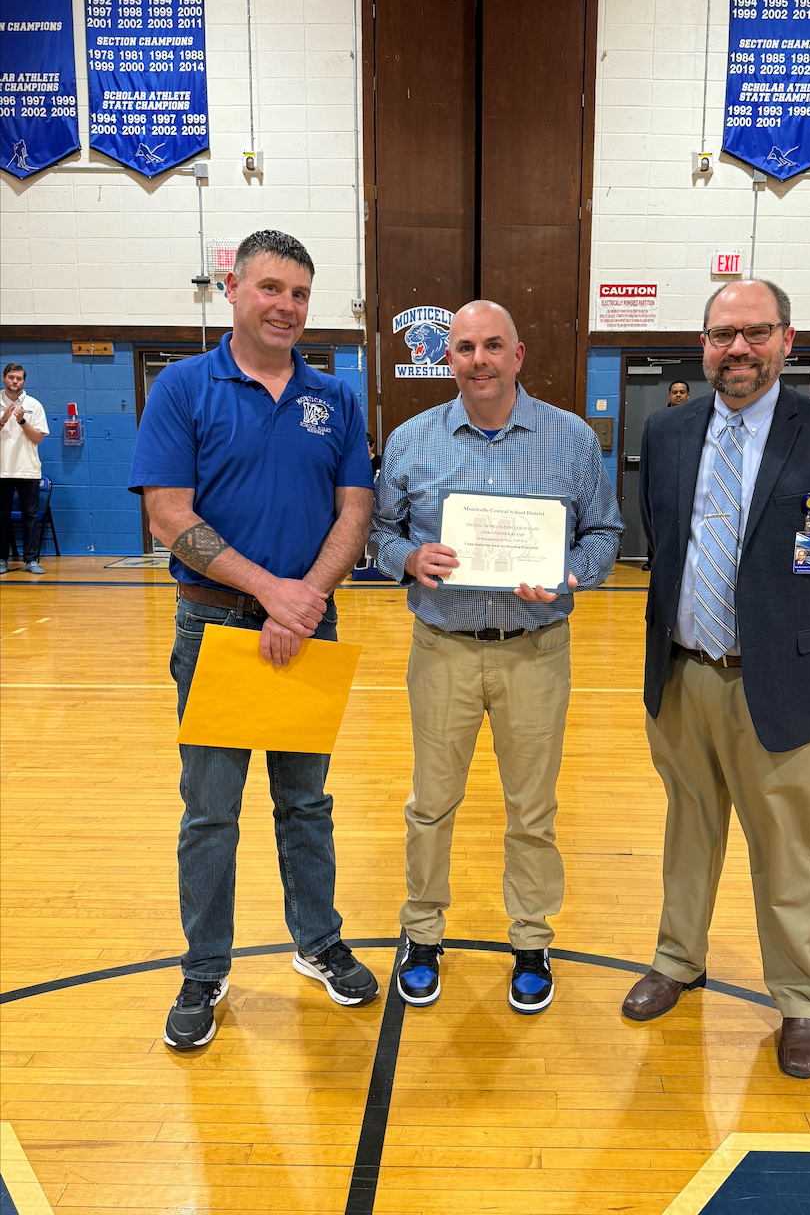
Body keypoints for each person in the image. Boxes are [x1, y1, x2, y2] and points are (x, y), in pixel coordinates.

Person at [622, 279, 810, 1079]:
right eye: (720, 335)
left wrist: (790, 626)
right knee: (688, 829)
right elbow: (663, 542)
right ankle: (679, 958)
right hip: (681, 673)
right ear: (702, 343)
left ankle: (803, 1001)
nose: (736, 349)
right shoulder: (668, 431)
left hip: (777, 681)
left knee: (786, 849)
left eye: (754, 332)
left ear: (787, 338)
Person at [128, 230, 378, 1050]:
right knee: (210, 811)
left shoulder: (334, 398)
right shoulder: (183, 387)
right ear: (232, 287)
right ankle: (205, 968)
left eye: (301, 294)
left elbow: (355, 511)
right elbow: (168, 513)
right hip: (215, 627)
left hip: (312, 625)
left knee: (306, 803)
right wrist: (273, 591)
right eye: (271, 288)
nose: (286, 307)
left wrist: (305, 599)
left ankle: (318, 941)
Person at [371, 300, 624, 1013]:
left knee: (532, 809)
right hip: (442, 648)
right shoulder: (412, 440)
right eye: (463, 348)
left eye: (492, 346)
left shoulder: (570, 440)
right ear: (446, 359)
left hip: (536, 650)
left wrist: (574, 573)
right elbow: (381, 532)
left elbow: (605, 532)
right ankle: (422, 935)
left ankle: (531, 941)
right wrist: (407, 556)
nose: (477, 359)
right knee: (430, 804)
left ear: (518, 355)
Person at [0, 363, 49, 576]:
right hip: (1, 472)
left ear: (24, 381)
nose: (14, 381)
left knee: (30, 518)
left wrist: (21, 421)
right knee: (1, 518)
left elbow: (38, 438)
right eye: (11, 377)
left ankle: (31, 560)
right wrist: (3, 420)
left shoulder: (34, 405)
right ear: (4, 378)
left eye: (18, 378)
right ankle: (2, 559)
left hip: (28, 471)